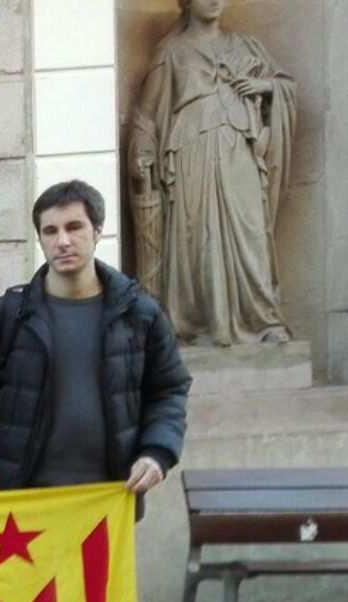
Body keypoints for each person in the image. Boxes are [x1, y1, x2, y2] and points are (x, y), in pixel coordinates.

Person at [0, 180, 192, 502]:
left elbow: (168, 391)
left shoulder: (140, 315)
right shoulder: (6, 316)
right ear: (40, 238)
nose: (62, 241)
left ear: (98, 231)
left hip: (110, 499)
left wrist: (157, 452)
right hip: (20, 503)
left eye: (74, 227)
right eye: (50, 231)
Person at [128, 0, 297, 344]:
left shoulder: (247, 46)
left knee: (250, 231)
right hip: (192, 150)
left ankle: (263, 319)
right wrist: (141, 150)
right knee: (197, 236)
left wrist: (266, 88)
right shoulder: (172, 51)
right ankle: (199, 324)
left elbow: (286, 88)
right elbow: (146, 114)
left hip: (241, 150)